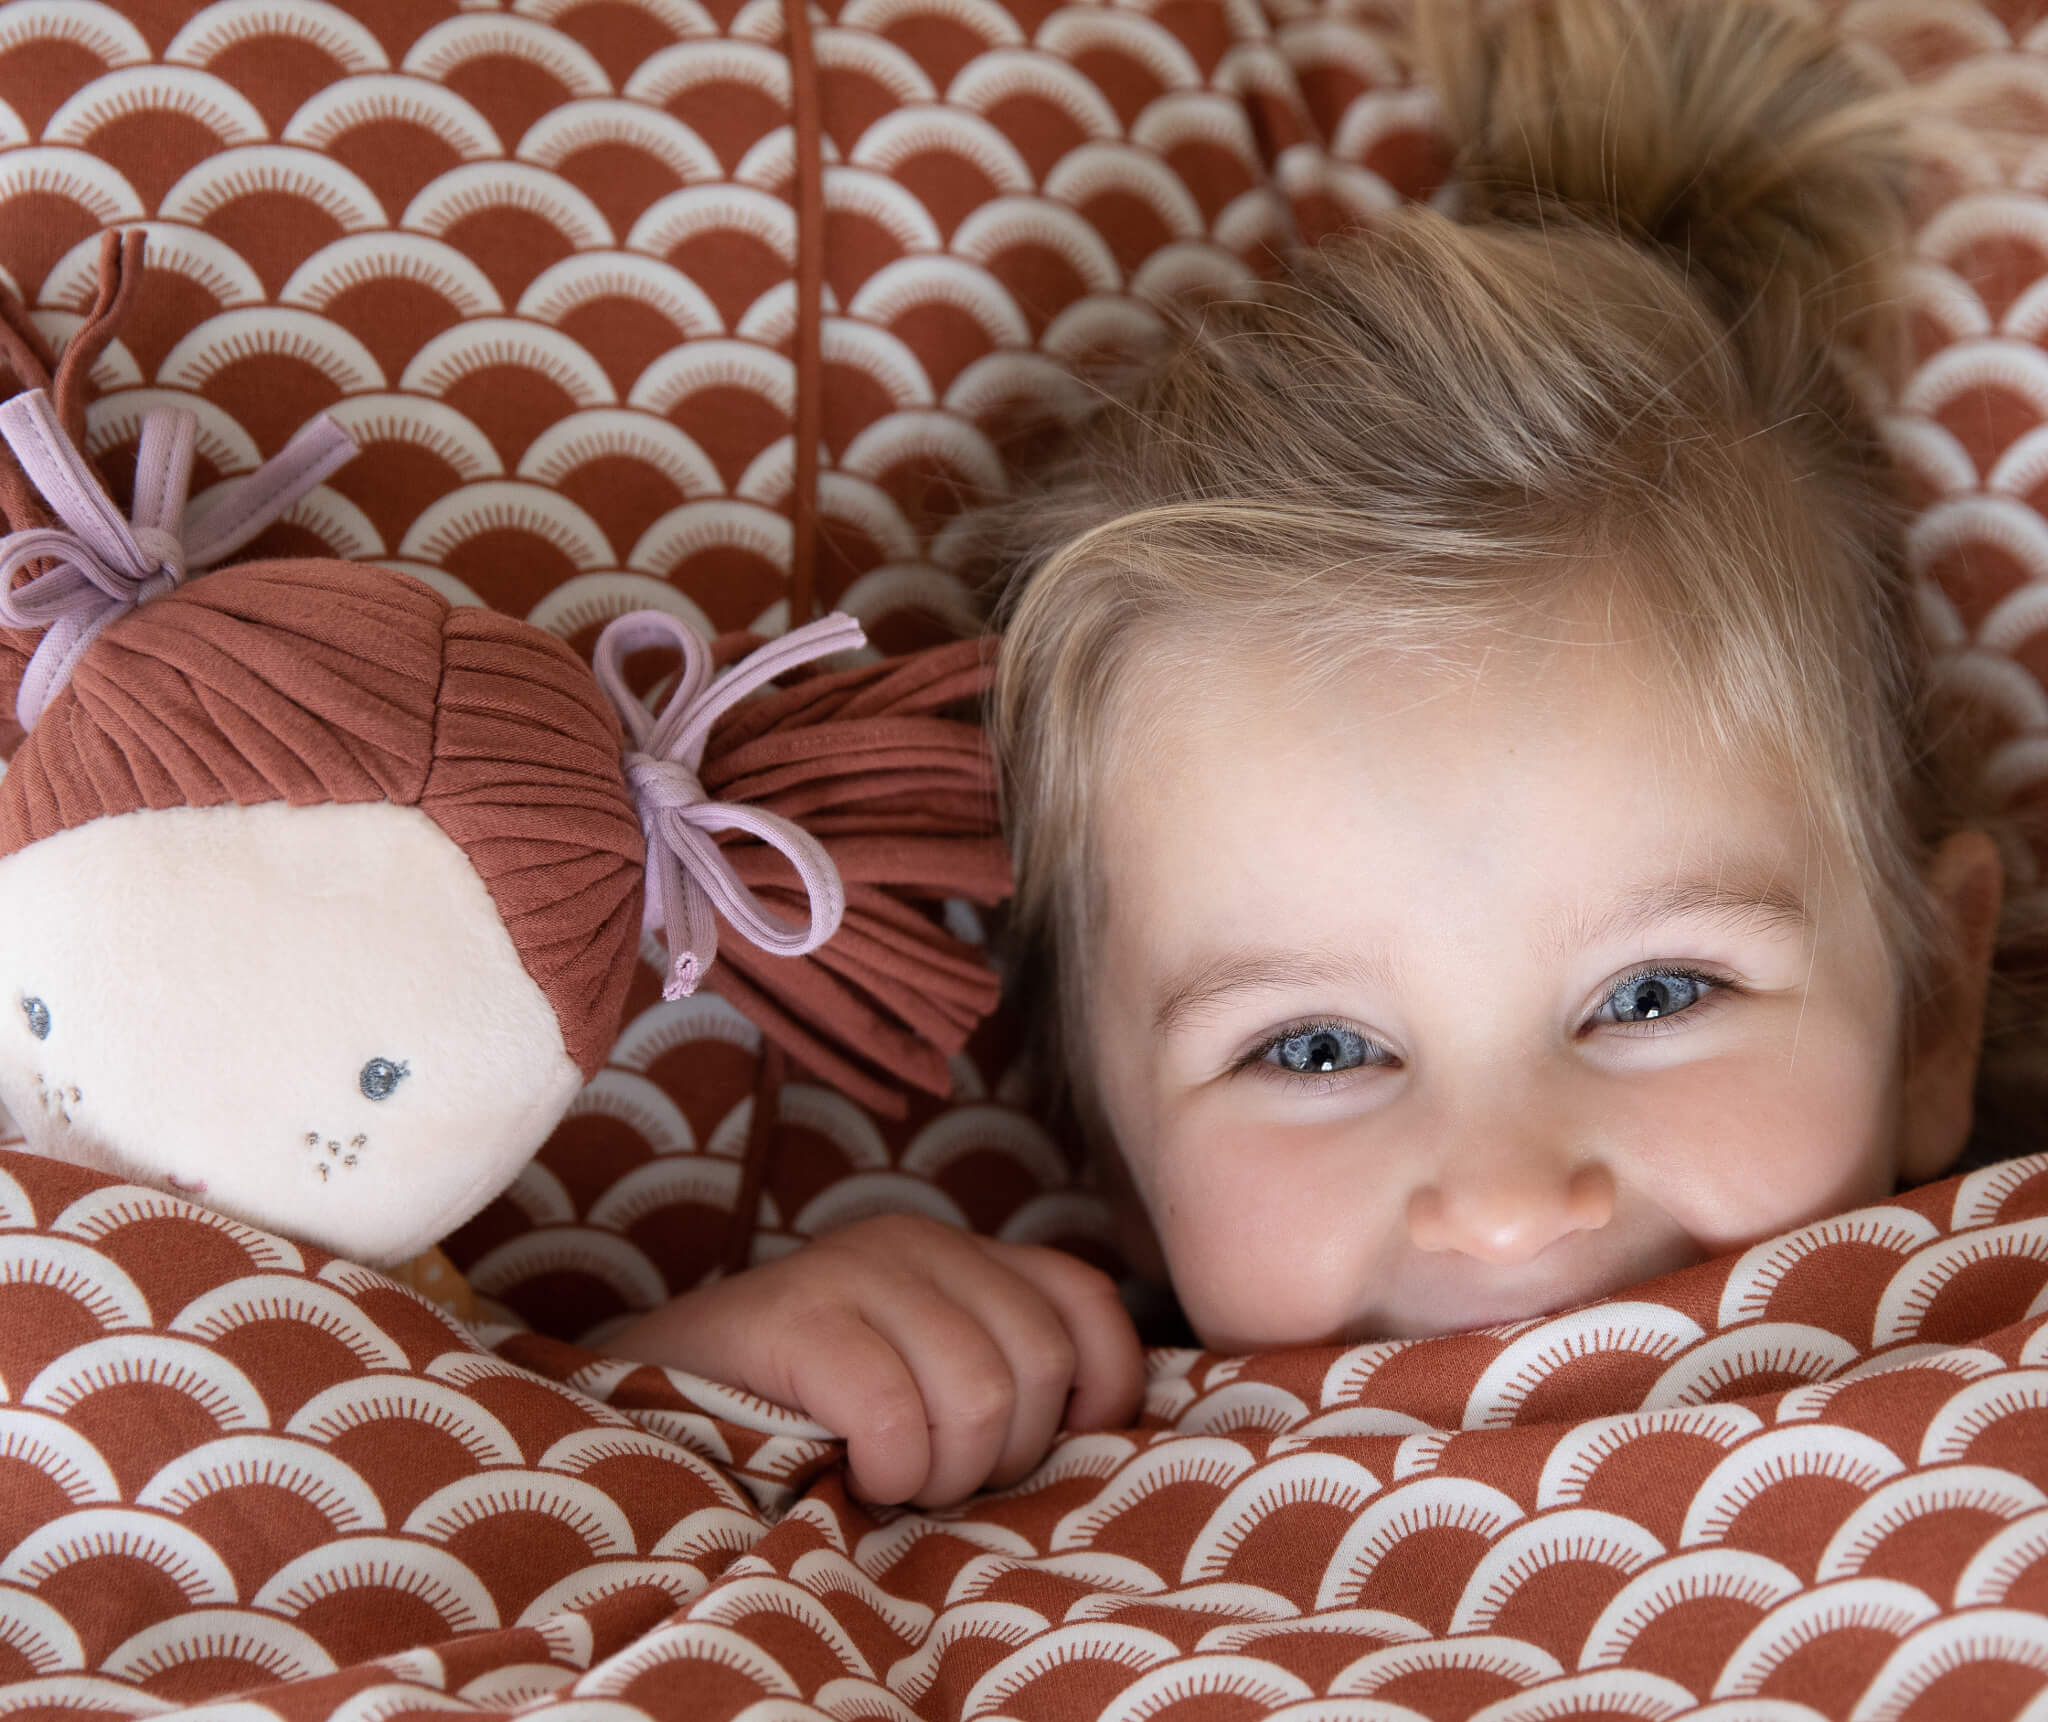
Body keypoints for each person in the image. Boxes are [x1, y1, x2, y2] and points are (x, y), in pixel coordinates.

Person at [615, 0, 2017, 1505]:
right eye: (1314, 1050)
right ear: (1114, 1162)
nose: (1503, 1205)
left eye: (1659, 993)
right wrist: (690, 1403)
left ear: (1933, 1009)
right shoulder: (1041, 1491)